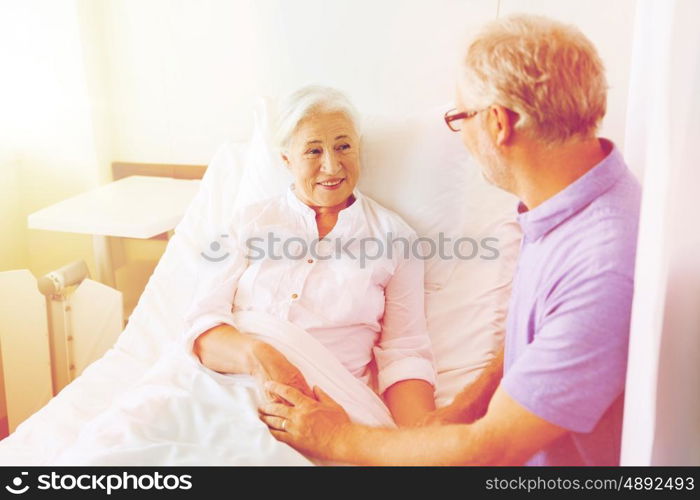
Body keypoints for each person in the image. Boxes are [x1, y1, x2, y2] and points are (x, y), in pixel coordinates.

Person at [259, 14, 642, 465]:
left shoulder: (601, 266)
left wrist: (333, 437)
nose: (460, 136)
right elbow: (543, 334)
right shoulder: (569, 199)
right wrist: (462, 408)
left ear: (499, 123)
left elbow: (489, 450)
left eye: (461, 117)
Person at [188, 85, 436, 427]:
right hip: (223, 387)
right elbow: (202, 325)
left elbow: (405, 355)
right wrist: (261, 356)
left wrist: (423, 446)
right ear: (286, 159)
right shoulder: (247, 222)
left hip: (327, 409)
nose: (332, 166)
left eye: (343, 147)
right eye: (313, 151)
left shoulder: (397, 239)